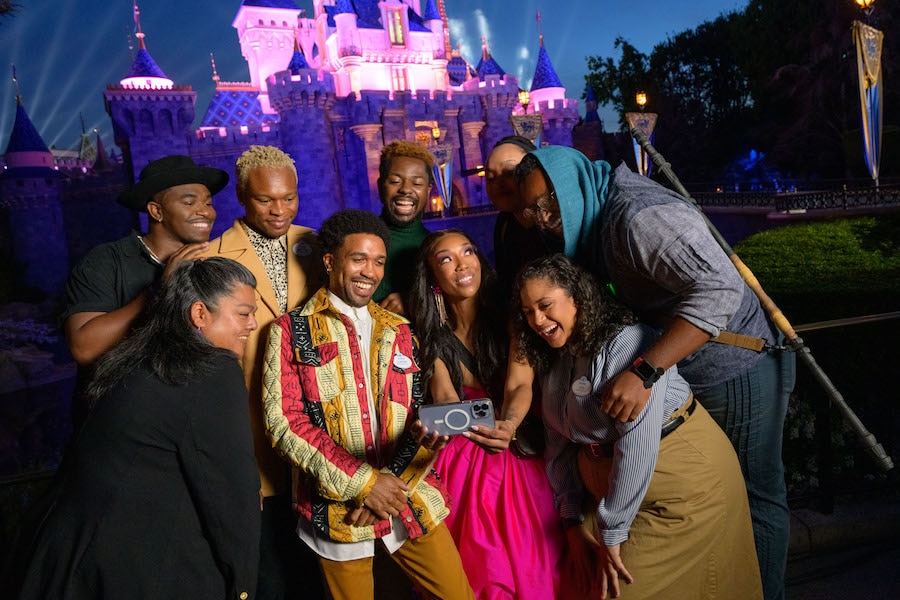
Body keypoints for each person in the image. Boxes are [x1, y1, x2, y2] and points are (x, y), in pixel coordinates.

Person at [513, 146, 796, 600]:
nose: (544, 219)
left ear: (571, 182)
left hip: (735, 365)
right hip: (684, 372)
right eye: (532, 211)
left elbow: (720, 288)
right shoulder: (594, 228)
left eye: (547, 202)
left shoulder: (637, 217)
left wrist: (645, 369)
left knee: (754, 499)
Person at [513, 254, 762, 600]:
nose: (537, 320)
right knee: (571, 582)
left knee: (617, 593)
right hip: (612, 493)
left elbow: (637, 445)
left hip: (677, 483)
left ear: (577, 298)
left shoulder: (625, 343)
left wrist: (611, 532)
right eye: (528, 312)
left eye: (545, 305)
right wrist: (570, 517)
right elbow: (558, 441)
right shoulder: (555, 355)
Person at [12, 257, 262, 599]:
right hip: (132, 570)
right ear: (200, 314)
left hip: (66, 558)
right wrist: (243, 587)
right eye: (244, 314)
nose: (253, 324)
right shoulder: (213, 371)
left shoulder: (137, 354)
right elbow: (231, 495)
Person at [262, 209, 475, 600]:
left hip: (410, 497)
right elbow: (285, 423)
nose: (370, 272)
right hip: (337, 509)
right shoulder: (291, 330)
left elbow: (421, 416)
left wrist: (387, 489)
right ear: (330, 261)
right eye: (358, 259)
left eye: (378, 262)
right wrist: (364, 483)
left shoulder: (401, 330)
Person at [408, 229, 565, 599]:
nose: (462, 264)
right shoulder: (430, 332)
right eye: (446, 259)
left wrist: (508, 425)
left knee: (532, 555)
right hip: (464, 441)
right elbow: (446, 398)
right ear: (433, 277)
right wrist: (435, 427)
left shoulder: (511, 316)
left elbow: (519, 384)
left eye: (468, 252)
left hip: (515, 431)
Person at [204, 145, 325, 600]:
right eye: (265, 199)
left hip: (323, 426)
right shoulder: (212, 258)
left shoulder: (318, 244)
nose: (280, 210)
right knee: (273, 568)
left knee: (326, 572)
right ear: (241, 196)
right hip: (256, 431)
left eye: (289, 198)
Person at [62, 154, 228, 426]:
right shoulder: (107, 262)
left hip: (191, 420)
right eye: (189, 202)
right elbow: (83, 348)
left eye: (208, 203)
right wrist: (160, 288)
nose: (206, 212)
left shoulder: (211, 267)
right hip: (123, 426)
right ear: (156, 211)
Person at [372, 140, 435, 315]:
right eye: (395, 181)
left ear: (428, 190)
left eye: (417, 183)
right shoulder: (359, 240)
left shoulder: (435, 246)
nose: (406, 189)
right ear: (380, 186)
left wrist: (412, 300)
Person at [484, 136, 546, 303]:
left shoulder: (556, 222)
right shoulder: (504, 224)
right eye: (490, 178)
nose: (498, 183)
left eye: (510, 172)